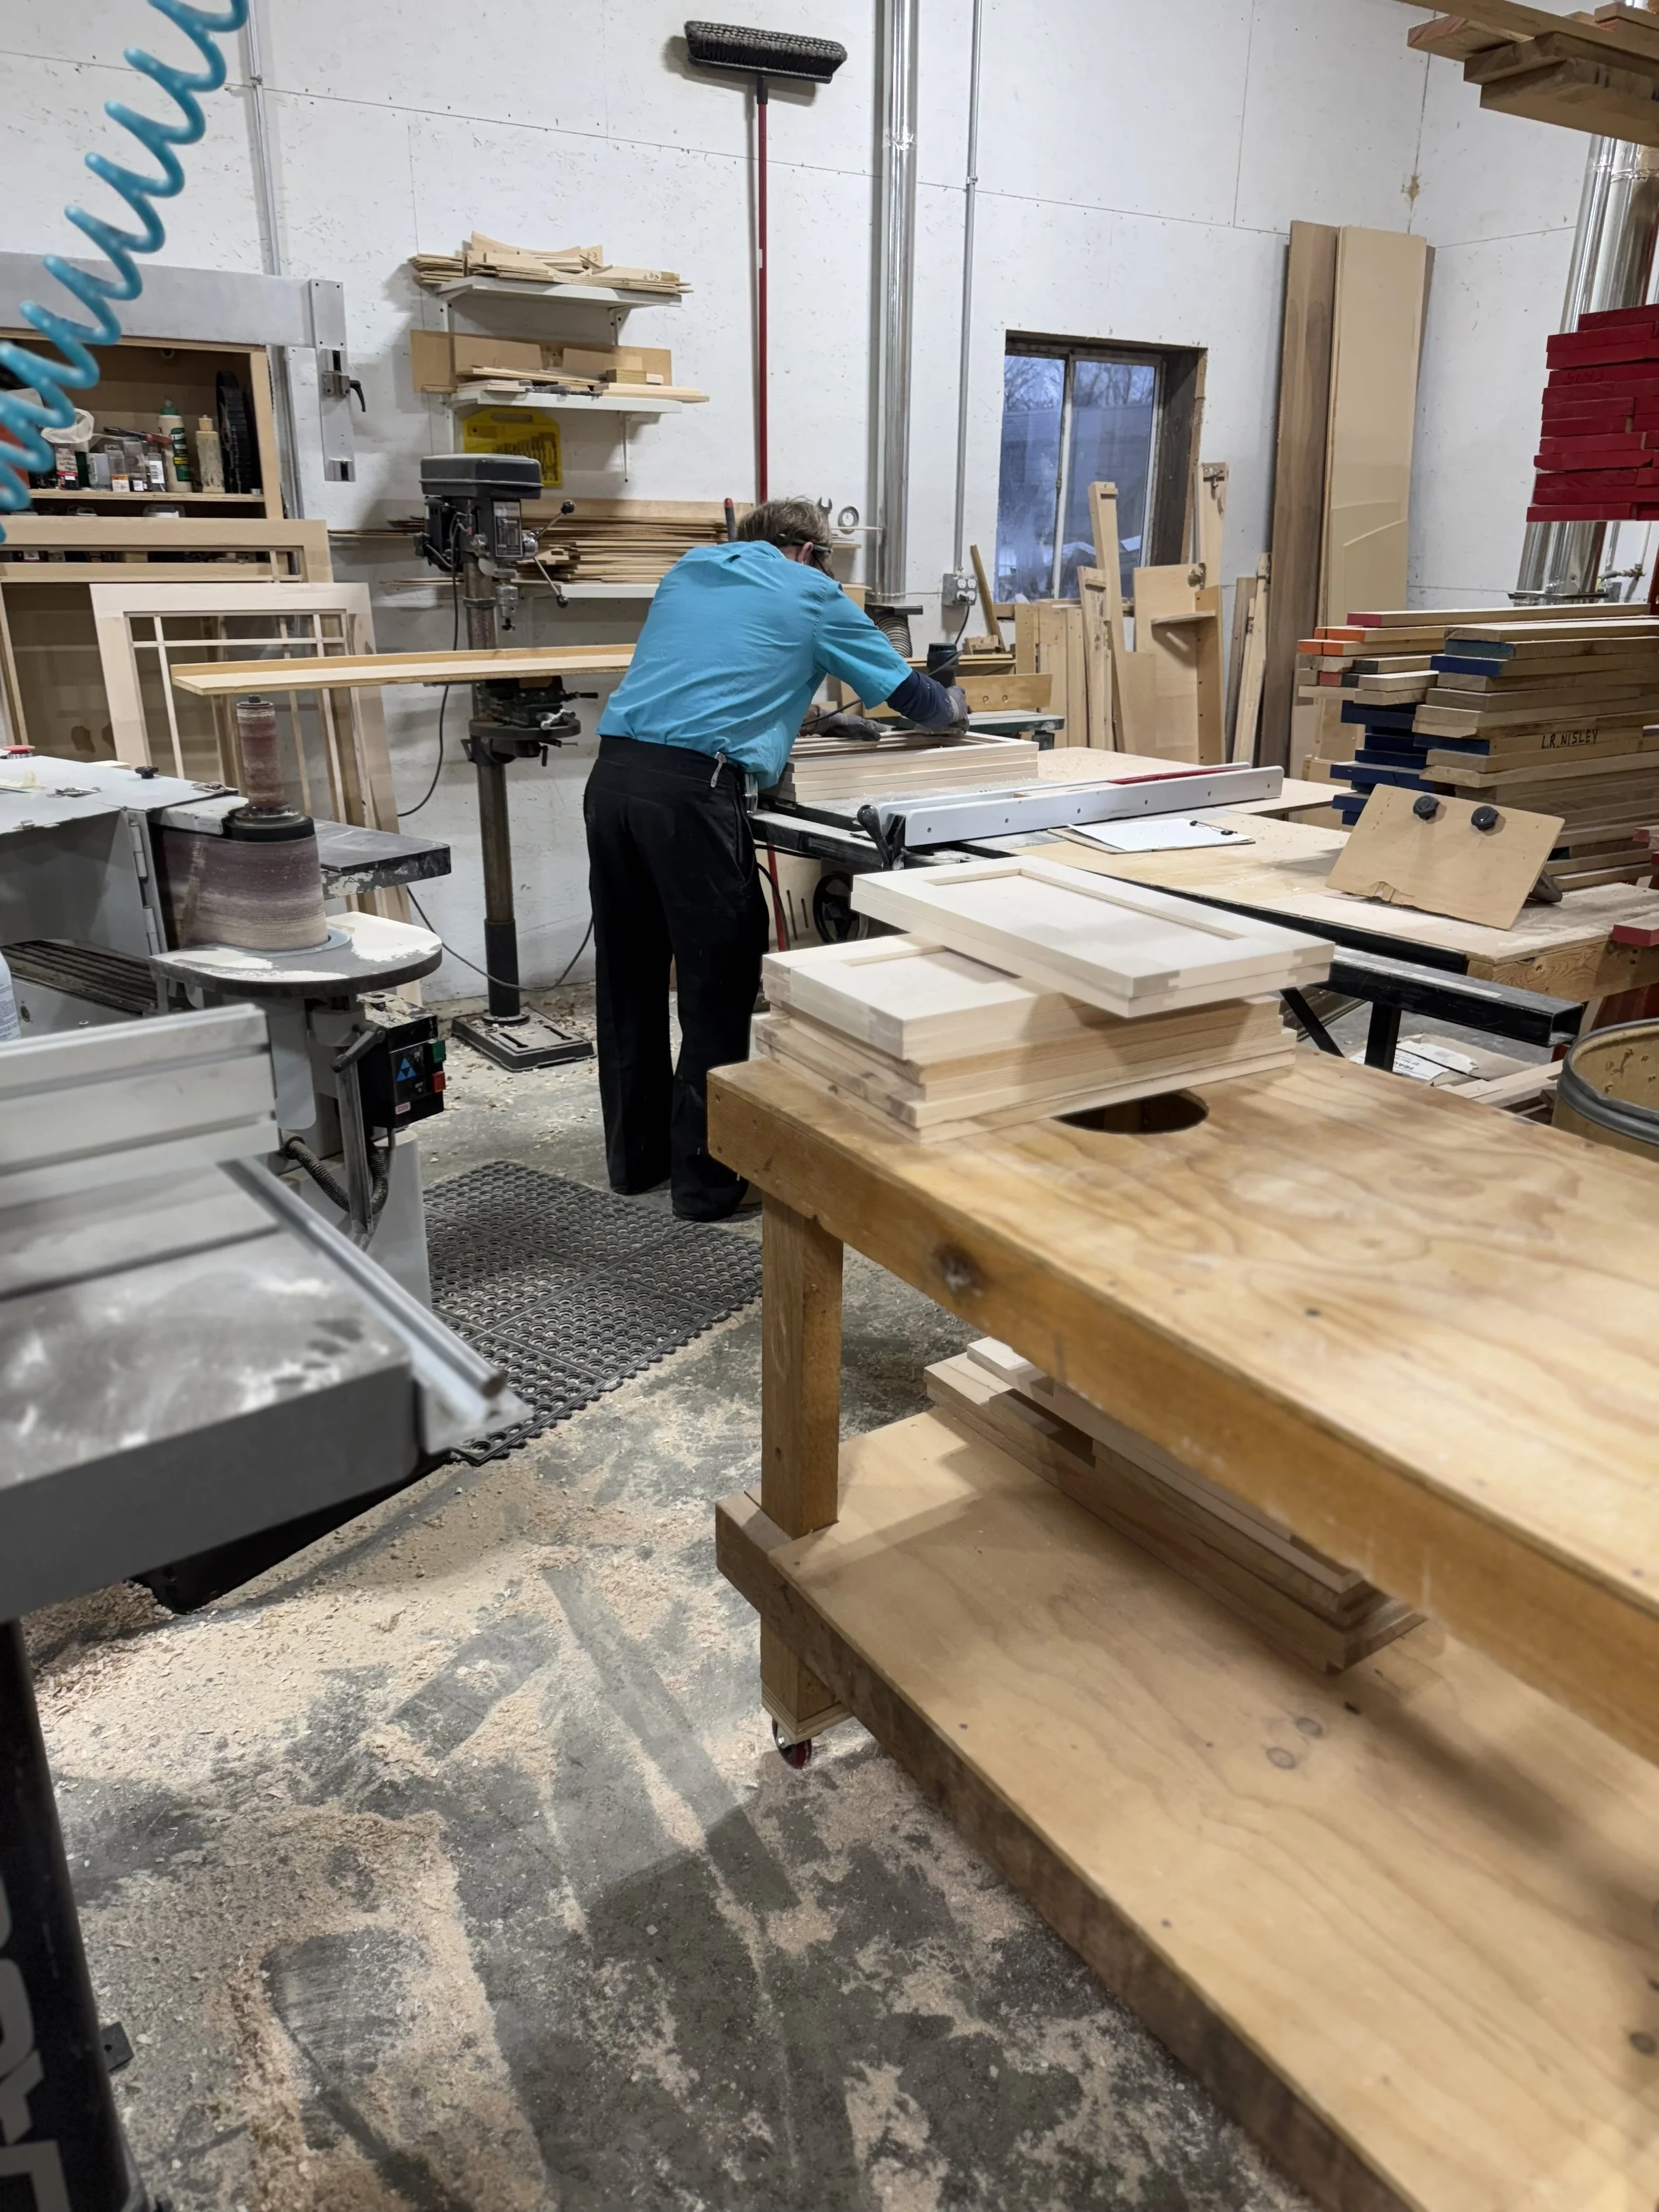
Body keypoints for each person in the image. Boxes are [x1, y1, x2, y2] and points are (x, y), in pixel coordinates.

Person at [584, 496, 966, 1221]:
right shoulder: (813, 592)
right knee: (719, 980)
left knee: (629, 973)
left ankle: (636, 1161)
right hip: (693, 794)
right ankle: (707, 1183)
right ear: (810, 553)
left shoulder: (689, 571)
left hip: (614, 781)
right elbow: (915, 701)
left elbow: (714, 673)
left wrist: (809, 716)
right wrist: (955, 705)